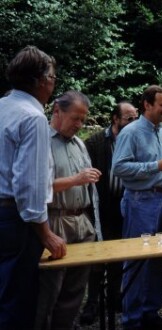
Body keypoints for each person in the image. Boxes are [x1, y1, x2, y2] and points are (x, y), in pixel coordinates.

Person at [0, 45, 66, 330]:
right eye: (52, 76)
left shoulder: (3, 107)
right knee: (18, 301)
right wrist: (46, 232)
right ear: (40, 80)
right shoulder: (33, 117)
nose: (53, 83)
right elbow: (29, 184)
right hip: (17, 220)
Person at [112, 85, 162, 329]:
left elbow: (160, 165)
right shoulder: (131, 132)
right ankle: (132, 321)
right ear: (147, 105)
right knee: (137, 261)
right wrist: (156, 167)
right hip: (140, 202)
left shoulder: (161, 131)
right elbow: (119, 168)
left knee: (160, 259)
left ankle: (151, 314)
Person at [35, 90, 101, 329]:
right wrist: (76, 179)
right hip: (54, 221)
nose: (79, 124)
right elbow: (34, 187)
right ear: (56, 110)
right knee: (48, 291)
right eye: (75, 118)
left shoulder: (79, 143)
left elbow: (84, 181)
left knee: (75, 291)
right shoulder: (41, 140)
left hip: (81, 221)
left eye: (83, 119)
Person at [80, 101, 138, 325]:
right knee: (97, 256)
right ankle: (92, 303)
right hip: (100, 205)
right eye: (128, 119)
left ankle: (115, 298)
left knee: (118, 254)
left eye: (135, 118)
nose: (132, 123)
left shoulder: (133, 140)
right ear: (115, 119)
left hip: (123, 205)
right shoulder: (95, 142)